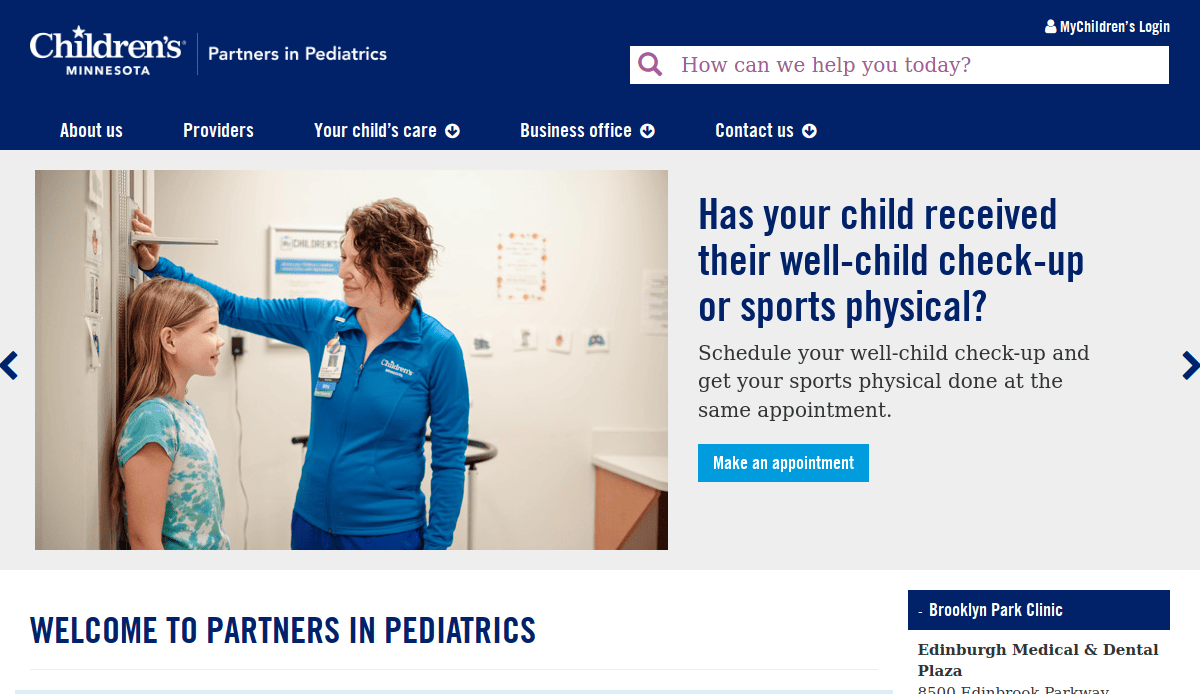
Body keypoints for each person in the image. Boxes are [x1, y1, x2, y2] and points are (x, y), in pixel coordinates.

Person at [131, 199, 469, 550]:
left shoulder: (438, 348)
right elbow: (232, 307)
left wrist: (435, 550)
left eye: (356, 262)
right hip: (310, 525)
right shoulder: (324, 321)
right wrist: (157, 267)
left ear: (392, 265)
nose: (342, 272)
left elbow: (449, 460)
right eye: (343, 257)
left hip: (387, 534)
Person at [108, 278, 231, 550]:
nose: (220, 340)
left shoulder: (190, 412)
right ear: (169, 340)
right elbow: (144, 542)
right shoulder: (153, 420)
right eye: (210, 329)